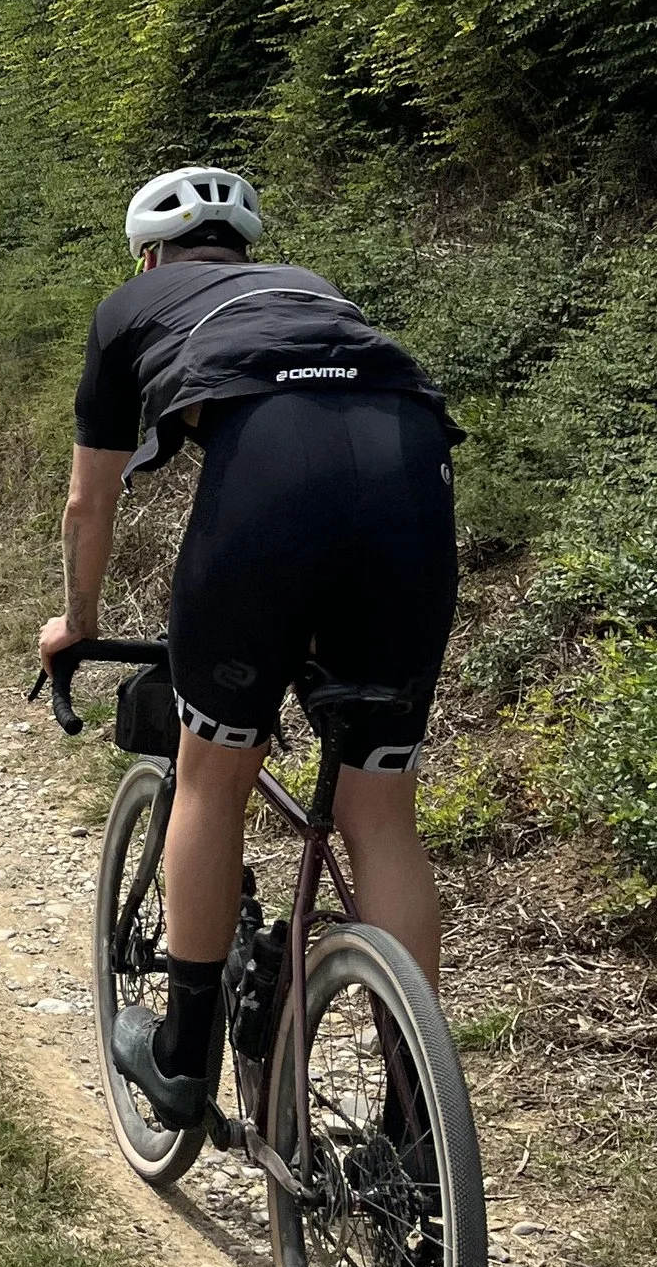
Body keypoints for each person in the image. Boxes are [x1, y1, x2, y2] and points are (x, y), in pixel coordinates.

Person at [37, 163, 460, 1129]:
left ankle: (184, 1055)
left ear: (150, 254)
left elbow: (88, 501)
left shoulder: (128, 307)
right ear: (243, 255)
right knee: (380, 808)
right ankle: (414, 1124)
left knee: (212, 770)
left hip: (275, 464)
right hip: (410, 457)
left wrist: (81, 621)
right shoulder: (313, 291)